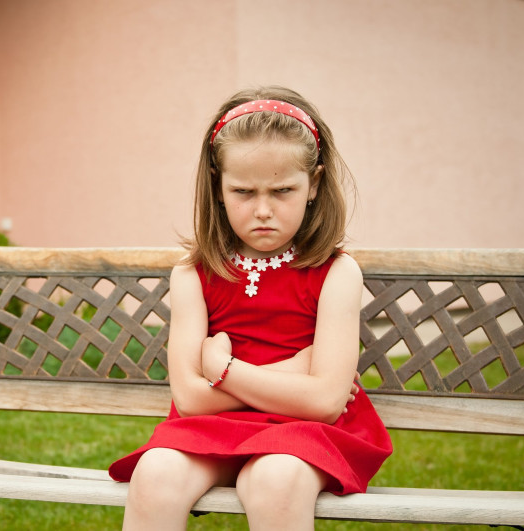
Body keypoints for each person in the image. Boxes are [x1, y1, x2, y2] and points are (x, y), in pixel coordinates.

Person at [108, 86, 393, 530]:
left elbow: (323, 403)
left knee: (274, 480)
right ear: (218, 187)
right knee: (155, 473)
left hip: (306, 433)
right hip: (212, 427)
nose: (263, 210)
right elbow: (190, 399)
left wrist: (222, 368)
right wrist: (296, 371)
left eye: (282, 190)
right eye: (243, 191)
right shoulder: (192, 274)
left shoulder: (337, 273)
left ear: (314, 183)